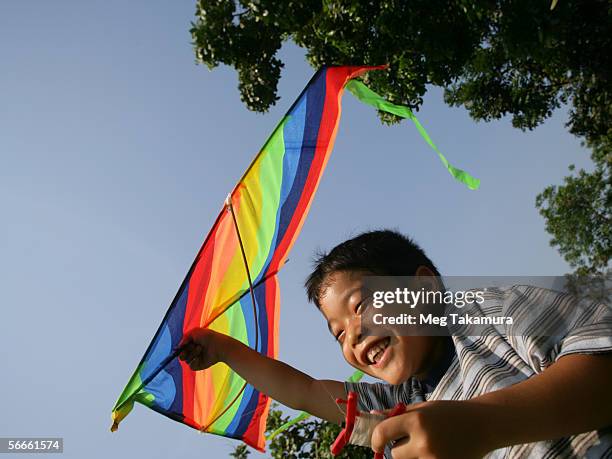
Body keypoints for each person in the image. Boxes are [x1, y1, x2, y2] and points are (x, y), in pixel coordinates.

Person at [179, 230, 612, 458]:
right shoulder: (395, 405)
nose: (354, 335)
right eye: (338, 334)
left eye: (361, 304)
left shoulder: (486, 314)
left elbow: (602, 358)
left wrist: (482, 425)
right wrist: (223, 349)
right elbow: (306, 392)